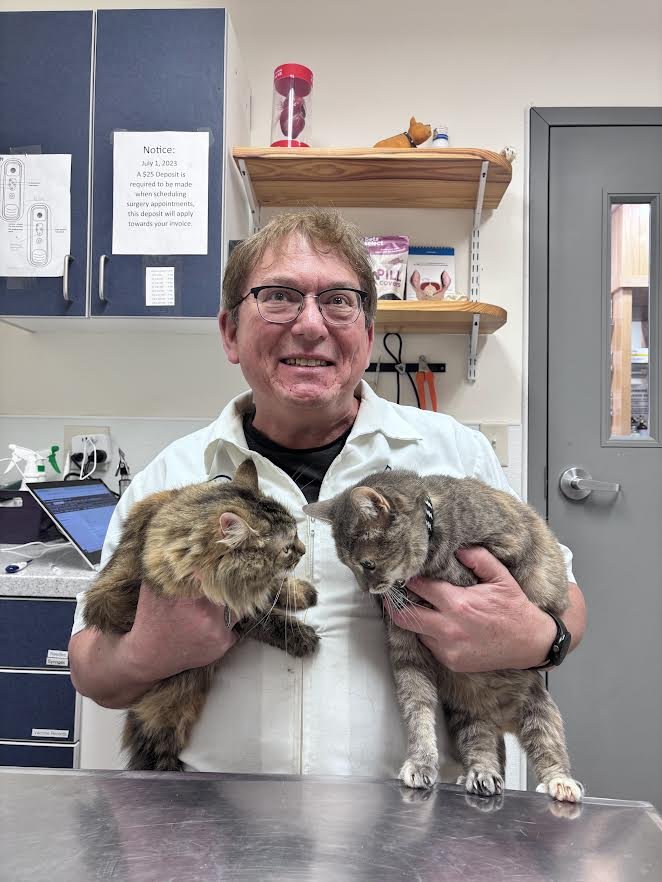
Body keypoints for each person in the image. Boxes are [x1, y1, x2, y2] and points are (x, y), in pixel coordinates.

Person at [69, 209, 586, 779]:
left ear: (366, 334)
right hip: (214, 825)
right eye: (278, 297)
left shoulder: (453, 455)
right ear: (229, 333)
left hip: (415, 822)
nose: (311, 325)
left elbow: (564, 596)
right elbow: (89, 668)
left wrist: (540, 638)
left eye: (339, 300)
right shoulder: (171, 478)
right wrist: (146, 652)